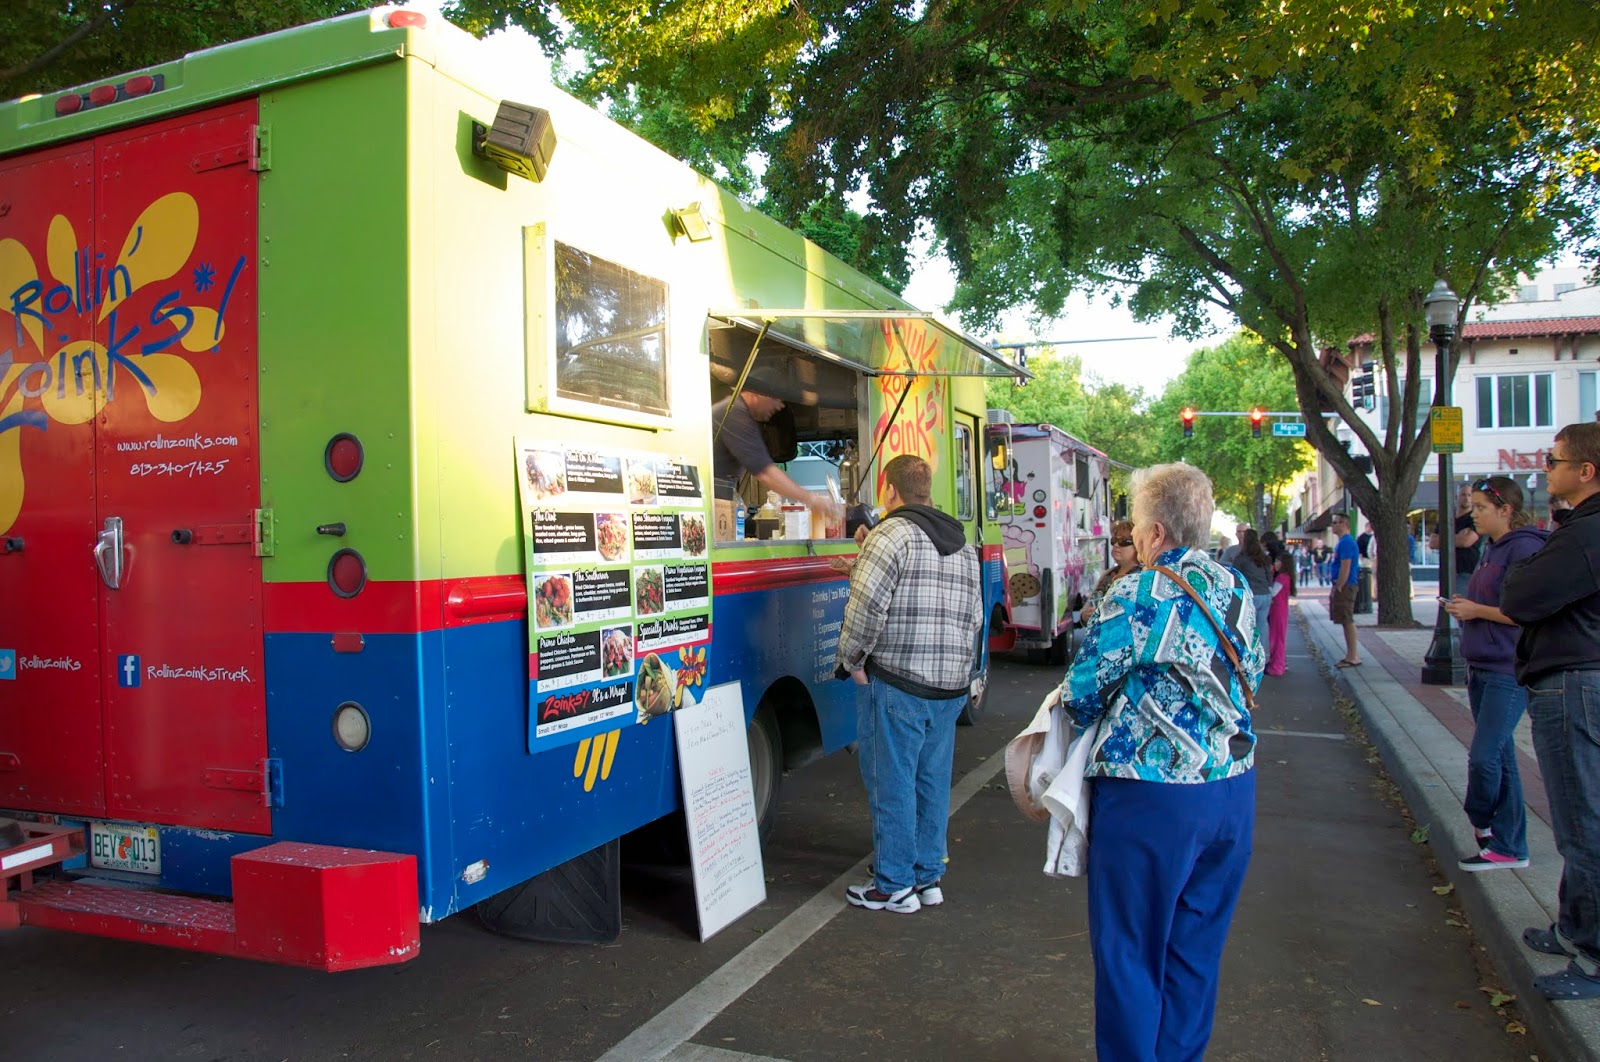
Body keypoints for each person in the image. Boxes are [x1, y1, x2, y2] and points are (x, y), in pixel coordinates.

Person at [1062, 462, 1263, 1060]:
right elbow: (1251, 673)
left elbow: (1081, 692)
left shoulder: (1138, 592)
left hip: (1151, 794)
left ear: (1154, 531)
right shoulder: (1235, 587)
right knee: (1195, 951)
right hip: (1231, 785)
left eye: (1136, 526)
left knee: (1130, 949)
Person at [835, 454, 981, 914]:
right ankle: (927, 876)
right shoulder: (961, 542)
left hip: (899, 681)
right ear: (927, 489)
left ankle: (893, 885)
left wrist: (851, 660)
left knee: (891, 783)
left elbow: (866, 606)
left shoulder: (890, 534)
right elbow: (974, 617)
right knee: (931, 782)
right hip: (948, 688)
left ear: (889, 489)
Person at [1501, 423, 1600, 1000]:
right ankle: (1574, 929)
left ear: (1586, 471)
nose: (1547, 468)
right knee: (1577, 818)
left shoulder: (1585, 533)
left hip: (1574, 684)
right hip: (1575, 678)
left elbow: (1520, 596)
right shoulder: (1578, 529)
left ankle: (1592, 957)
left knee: (1582, 820)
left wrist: (1522, 577)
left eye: (1555, 460)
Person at [1440, 476, 1546, 875]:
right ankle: (1509, 844)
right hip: (1482, 665)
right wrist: (1468, 607)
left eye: (1482, 508)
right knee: (1501, 757)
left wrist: (1476, 611)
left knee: (1485, 757)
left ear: (1506, 510)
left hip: (1506, 668)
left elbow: (1526, 611)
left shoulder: (1523, 549)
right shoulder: (1493, 548)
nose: (1475, 514)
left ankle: (1483, 820)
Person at [711, 371, 843, 529]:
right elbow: (765, 472)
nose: (779, 405)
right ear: (757, 393)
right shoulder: (735, 412)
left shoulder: (740, 413)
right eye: (776, 398)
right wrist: (813, 500)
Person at [1080, 519, 1141, 626]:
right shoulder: (1108, 574)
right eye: (1114, 540)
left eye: (1123, 541)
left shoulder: (1142, 577)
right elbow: (1088, 605)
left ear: (1138, 546)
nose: (1116, 545)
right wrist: (1084, 616)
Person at [1232, 529, 1274, 655]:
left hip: (1251, 595)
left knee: (1248, 628)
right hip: (1265, 594)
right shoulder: (1264, 557)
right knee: (1262, 627)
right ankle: (1261, 656)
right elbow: (1269, 577)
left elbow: (1235, 577)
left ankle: (1250, 656)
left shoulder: (1241, 558)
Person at [1430, 483, 1482, 581]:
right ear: (1456, 497)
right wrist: (1458, 536)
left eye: (1469, 495)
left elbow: (1466, 541)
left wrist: (1442, 539)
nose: (1466, 498)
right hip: (1447, 571)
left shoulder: (1475, 518)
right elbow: (1432, 543)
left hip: (1467, 572)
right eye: (1463, 495)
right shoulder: (1447, 518)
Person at [1329, 513, 1362, 667]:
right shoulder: (1343, 542)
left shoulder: (1347, 542)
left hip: (1346, 585)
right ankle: (1350, 655)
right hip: (1344, 584)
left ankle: (1353, 656)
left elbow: (1345, 566)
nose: (1332, 525)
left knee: (1347, 620)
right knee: (1344, 620)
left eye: (1335, 522)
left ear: (1343, 524)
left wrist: (1339, 586)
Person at [1266, 551, 1295, 676]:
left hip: (1277, 610)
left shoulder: (1281, 578)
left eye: (1278, 561)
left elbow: (1273, 592)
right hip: (1280, 610)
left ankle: (1277, 666)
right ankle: (1278, 663)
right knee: (1278, 637)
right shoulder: (1286, 577)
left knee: (1276, 638)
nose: (1275, 563)